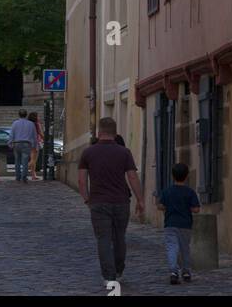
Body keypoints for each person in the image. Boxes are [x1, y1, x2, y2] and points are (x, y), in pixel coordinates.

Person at [78, 116, 145, 285]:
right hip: (121, 201)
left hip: (98, 201)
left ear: (99, 132)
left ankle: (108, 275)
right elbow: (132, 177)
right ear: (115, 134)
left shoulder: (88, 152)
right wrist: (140, 199)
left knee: (103, 239)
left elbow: (81, 179)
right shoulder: (124, 152)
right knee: (119, 237)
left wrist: (86, 198)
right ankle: (119, 269)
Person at [158, 161, 200, 284]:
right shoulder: (190, 192)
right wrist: (187, 207)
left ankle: (173, 271)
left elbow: (160, 205)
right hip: (185, 224)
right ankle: (186, 271)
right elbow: (196, 209)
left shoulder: (167, 191)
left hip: (170, 224)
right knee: (185, 248)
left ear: (172, 176)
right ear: (187, 176)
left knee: (172, 247)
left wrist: (168, 208)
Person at [9, 109, 37, 182]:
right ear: (26, 115)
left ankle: (18, 177)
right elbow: (34, 135)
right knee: (25, 161)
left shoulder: (15, 123)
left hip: (17, 143)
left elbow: (12, 134)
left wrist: (10, 142)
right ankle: (24, 177)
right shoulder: (31, 124)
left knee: (17, 161)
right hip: (26, 144)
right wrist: (34, 145)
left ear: (19, 115)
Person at [27, 110, 42, 178]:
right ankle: (25, 168)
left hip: (28, 142)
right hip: (35, 142)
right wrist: (46, 139)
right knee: (34, 160)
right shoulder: (36, 124)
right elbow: (40, 133)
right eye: (38, 116)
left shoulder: (28, 124)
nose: (39, 117)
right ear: (35, 117)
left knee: (32, 159)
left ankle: (33, 175)